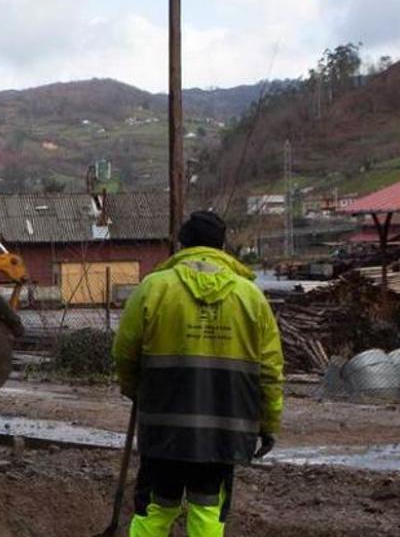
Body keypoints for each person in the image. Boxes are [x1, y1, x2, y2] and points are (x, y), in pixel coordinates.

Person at [112, 210, 283, 537]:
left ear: (183, 245)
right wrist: (269, 423)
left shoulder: (153, 288)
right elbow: (271, 370)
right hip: (224, 429)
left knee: (155, 510)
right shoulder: (251, 298)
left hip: (163, 425)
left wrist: (136, 390)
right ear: (222, 246)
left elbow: (124, 352)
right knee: (207, 511)